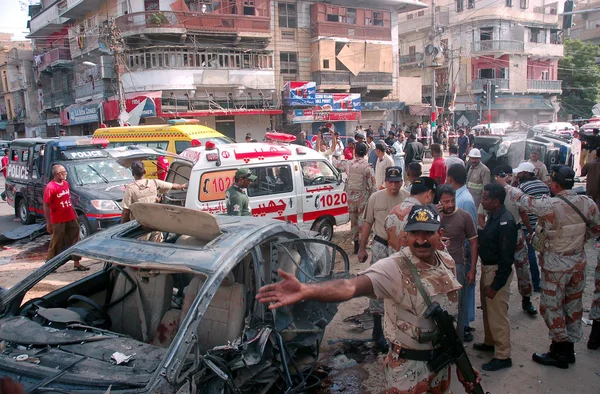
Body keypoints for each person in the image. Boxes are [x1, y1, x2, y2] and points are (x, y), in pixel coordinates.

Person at [256, 204, 481, 393]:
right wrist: (307, 290)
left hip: (442, 366)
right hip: (408, 372)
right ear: (406, 235)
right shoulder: (394, 268)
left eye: (428, 233)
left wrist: (460, 362)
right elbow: (351, 286)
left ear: (439, 233)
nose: (421, 240)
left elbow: (450, 316)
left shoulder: (446, 261)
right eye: (415, 233)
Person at [496, 165, 600, 369]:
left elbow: (523, 200)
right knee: (573, 305)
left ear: (554, 184)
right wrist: (578, 241)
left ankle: (559, 349)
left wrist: (505, 185)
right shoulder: (588, 203)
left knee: (551, 306)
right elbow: (596, 228)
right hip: (577, 263)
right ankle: (569, 348)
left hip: (556, 266)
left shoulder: (550, 205)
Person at [357, 166, 409, 351]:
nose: (394, 185)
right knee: (377, 284)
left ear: (402, 182)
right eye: (390, 181)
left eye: (397, 181)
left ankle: (399, 326)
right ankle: (377, 329)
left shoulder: (407, 198)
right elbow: (368, 224)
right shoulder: (375, 197)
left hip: (400, 247)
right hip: (379, 244)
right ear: (385, 181)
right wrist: (362, 248)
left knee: (401, 285)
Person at [474, 183, 517, 371]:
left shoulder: (506, 222)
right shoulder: (494, 216)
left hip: (497, 271)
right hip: (488, 268)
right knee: (488, 309)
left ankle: (503, 354)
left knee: (498, 313)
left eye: (485, 198)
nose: (482, 201)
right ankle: (490, 342)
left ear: (496, 201)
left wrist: (496, 285)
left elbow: (507, 259)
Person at [483, 165, 537, 316]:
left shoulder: (514, 193)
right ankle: (499, 299)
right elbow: (482, 216)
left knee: (522, 268)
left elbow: (523, 213)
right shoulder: (493, 193)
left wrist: (530, 231)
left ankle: (526, 299)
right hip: (499, 234)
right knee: (500, 267)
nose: (508, 177)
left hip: (516, 232)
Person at [438, 185, 478, 342]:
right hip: (437, 267)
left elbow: (474, 243)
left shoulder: (465, 216)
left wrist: (472, 269)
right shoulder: (434, 216)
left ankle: (458, 342)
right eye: (445, 201)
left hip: (457, 266)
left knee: (458, 305)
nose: (449, 205)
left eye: (452, 201)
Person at [446, 163, 478, 335]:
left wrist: (470, 264)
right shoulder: (459, 196)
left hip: (462, 255)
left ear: (450, 179)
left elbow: (471, 236)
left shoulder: (464, 200)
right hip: (458, 254)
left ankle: (464, 326)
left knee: (462, 293)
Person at [515, 161, 550, 293]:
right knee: (544, 254)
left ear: (525, 173)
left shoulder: (521, 187)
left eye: (519, 172)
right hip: (543, 225)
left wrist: (529, 230)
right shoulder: (544, 186)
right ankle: (545, 282)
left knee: (530, 255)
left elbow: (521, 210)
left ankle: (535, 284)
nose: (517, 175)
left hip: (528, 225)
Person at [44, 165, 87, 271]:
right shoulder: (50, 187)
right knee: (56, 241)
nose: (66, 173)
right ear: (57, 174)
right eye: (63, 172)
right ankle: (50, 264)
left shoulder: (66, 184)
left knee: (75, 239)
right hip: (58, 219)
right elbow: (46, 205)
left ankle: (76, 262)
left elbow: (68, 199)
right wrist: (48, 223)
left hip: (70, 216)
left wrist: (74, 212)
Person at [121, 161, 186, 223]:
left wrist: (123, 227)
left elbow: (126, 212)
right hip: (155, 224)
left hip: (140, 227)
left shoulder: (130, 189)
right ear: (145, 172)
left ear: (133, 173)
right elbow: (173, 186)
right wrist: (181, 186)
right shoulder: (154, 183)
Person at [386, 177, 437, 251]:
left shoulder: (393, 211)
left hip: (394, 261)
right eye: (433, 198)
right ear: (429, 195)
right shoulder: (422, 215)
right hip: (413, 261)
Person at [345, 142, 374, 254]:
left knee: (354, 223)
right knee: (363, 223)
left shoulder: (349, 164)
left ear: (355, 151)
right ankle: (363, 246)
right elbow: (372, 186)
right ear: (366, 153)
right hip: (363, 200)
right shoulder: (367, 167)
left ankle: (356, 245)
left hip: (351, 200)